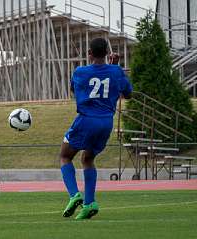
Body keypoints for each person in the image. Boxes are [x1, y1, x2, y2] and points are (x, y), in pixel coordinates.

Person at [60, 38, 132, 220]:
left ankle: (74, 194)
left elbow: (73, 90)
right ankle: (89, 204)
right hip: (106, 122)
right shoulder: (116, 71)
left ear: (89, 54)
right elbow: (128, 94)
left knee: (65, 156)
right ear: (108, 53)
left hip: (86, 120)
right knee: (87, 158)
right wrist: (115, 65)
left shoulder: (80, 72)